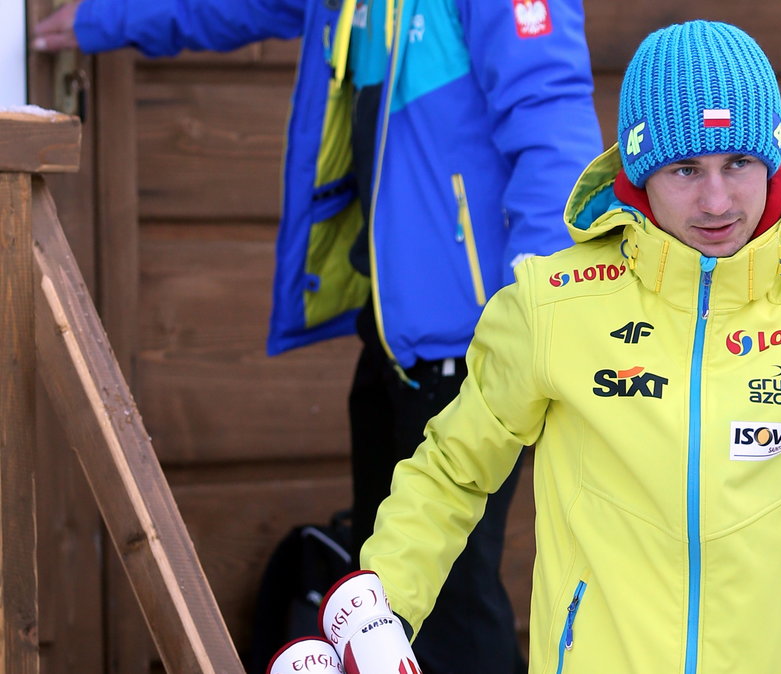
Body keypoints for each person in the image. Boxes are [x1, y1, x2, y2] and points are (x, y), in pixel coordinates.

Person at [360, 19, 781, 674]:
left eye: (738, 162)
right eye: (685, 168)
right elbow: (449, 476)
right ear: (642, 172)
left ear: (772, 159)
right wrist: (377, 612)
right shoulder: (551, 305)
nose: (717, 199)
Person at [34, 1, 602, 672]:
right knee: (380, 592)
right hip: (394, 342)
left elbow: (554, 130)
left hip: (475, 344)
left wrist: (532, 322)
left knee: (451, 603)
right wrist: (99, 19)